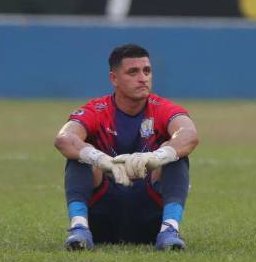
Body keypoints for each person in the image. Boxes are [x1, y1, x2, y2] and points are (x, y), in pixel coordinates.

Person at [54, 44, 199, 250]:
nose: (143, 78)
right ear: (114, 78)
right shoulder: (97, 109)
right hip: (102, 220)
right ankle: (79, 230)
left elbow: (189, 135)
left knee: (176, 156)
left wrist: (156, 157)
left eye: (147, 71)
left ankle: (169, 231)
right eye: (133, 72)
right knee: (79, 155)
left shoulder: (163, 108)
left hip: (150, 221)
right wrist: (101, 160)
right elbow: (64, 139)